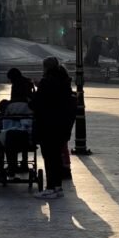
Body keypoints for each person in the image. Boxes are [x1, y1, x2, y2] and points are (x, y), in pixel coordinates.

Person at [31, 57, 74, 199]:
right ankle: (58, 187)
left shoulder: (47, 82)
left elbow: (37, 103)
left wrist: (36, 91)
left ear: (46, 68)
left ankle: (50, 187)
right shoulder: (64, 81)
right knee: (56, 156)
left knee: (49, 157)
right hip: (62, 125)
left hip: (48, 125)